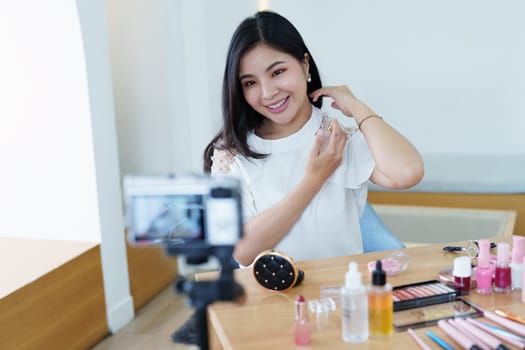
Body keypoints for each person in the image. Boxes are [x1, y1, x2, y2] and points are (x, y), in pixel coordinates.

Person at [203, 11, 424, 266]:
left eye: (277, 72)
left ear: (304, 64)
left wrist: (356, 106)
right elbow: (242, 250)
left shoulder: (337, 136)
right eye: (250, 83)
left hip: (343, 293)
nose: (268, 93)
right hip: (271, 300)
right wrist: (314, 180)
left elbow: (408, 172)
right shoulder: (233, 156)